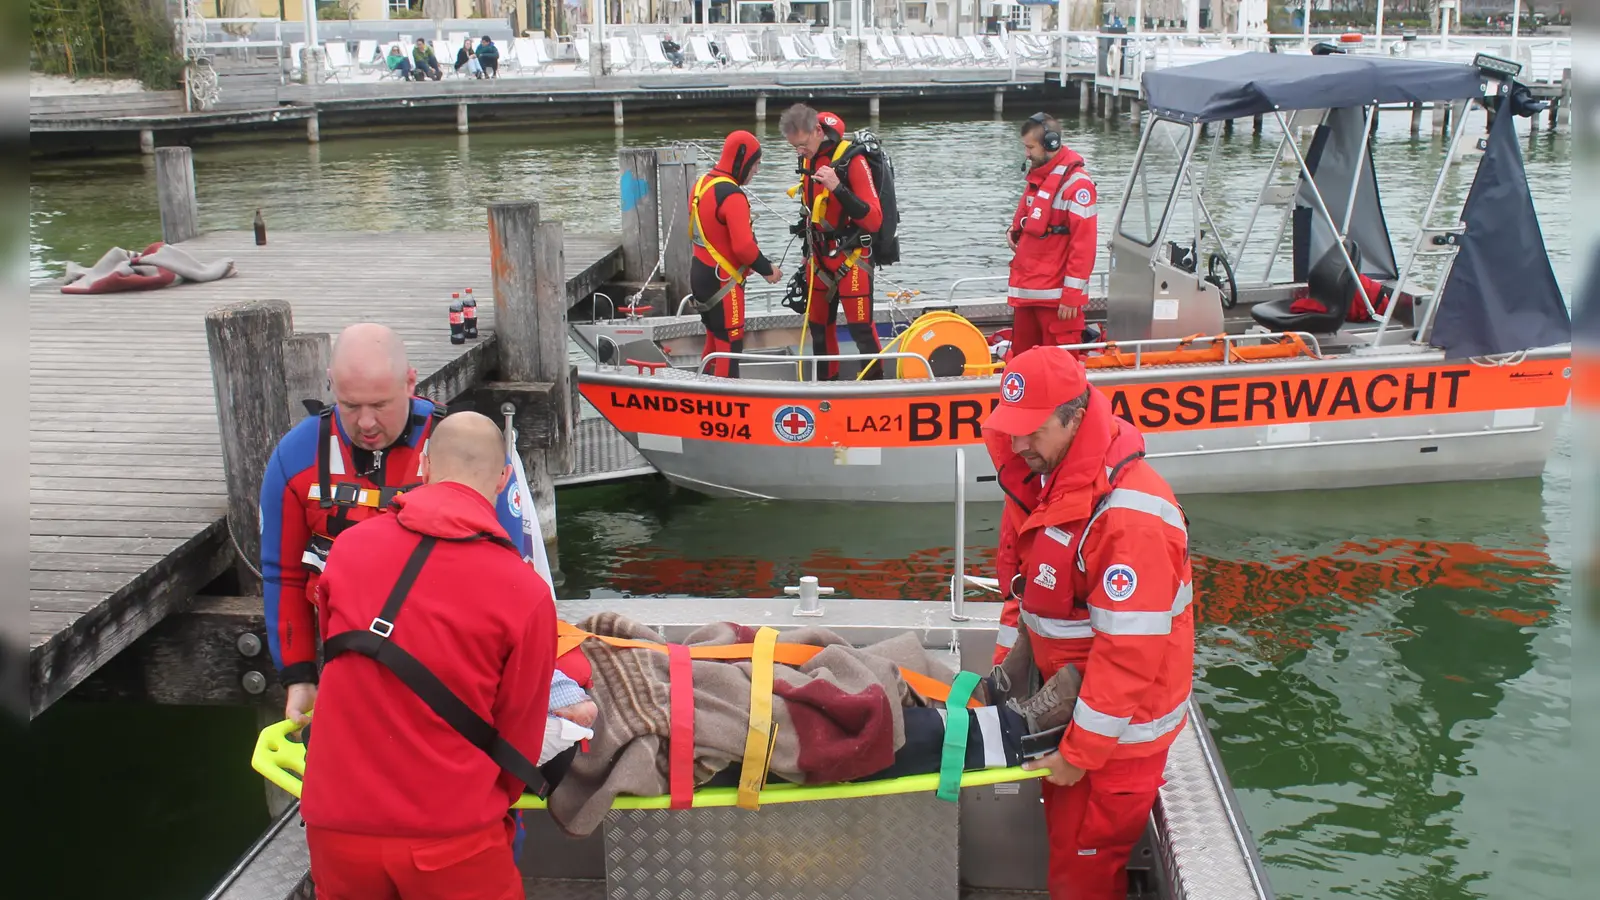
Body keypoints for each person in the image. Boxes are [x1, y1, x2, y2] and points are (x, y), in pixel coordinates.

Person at [300, 412, 558, 899]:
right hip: (451, 835)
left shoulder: (349, 549)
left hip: (336, 829)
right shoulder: (524, 592)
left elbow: (335, 657)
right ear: (504, 480)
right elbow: (520, 731)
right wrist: (477, 803)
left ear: (423, 464)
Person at [984, 347, 1195, 900]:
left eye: (1031, 431)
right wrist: (1004, 682)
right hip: (1069, 714)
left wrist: (1080, 755)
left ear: (1074, 418)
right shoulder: (1041, 483)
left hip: (1118, 744)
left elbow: (1129, 653)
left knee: (1083, 873)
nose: (1018, 444)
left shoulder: (1131, 519)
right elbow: (1023, 594)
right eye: (1010, 430)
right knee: (1068, 858)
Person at [259, 323, 547, 727]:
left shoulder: (466, 448)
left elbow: (513, 576)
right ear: (331, 386)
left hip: (451, 667)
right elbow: (283, 575)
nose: (366, 423)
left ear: (410, 382)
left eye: (380, 404)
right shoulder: (295, 459)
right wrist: (298, 675)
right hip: (346, 661)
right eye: (349, 405)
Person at [779, 104, 886, 380]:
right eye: (794, 147)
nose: (799, 152)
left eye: (802, 145)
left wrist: (837, 187)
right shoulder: (808, 158)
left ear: (818, 130)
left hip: (851, 258)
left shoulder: (853, 160)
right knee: (818, 326)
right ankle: (828, 385)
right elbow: (810, 214)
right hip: (818, 257)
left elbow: (874, 219)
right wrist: (806, 254)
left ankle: (875, 386)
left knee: (860, 327)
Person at [689, 131, 782, 378]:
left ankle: (702, 392)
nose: (756, 171)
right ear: (742, 160)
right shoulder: (732, 195)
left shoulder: (702, 184)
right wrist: (768, 270)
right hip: (724, 283)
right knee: (730, 347)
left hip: (700, 275)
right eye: (756, 164)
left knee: (713, 341)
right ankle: (724, 403)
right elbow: (743, 247)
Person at [1005, 113, 1098, 358]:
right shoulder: (1038, 177)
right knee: (1023, 361)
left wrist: (1071, 296)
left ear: (1051, 144)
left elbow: (1084, 246)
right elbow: (1027, 220)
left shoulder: (1077, 187)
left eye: (1030, 147)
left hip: (1057, 302)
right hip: (1028, 292)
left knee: (1060, 367)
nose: (1026, 154)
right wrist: (1013, 234)